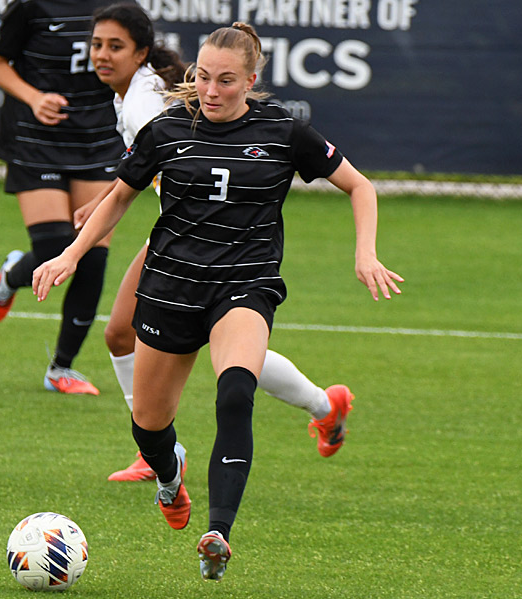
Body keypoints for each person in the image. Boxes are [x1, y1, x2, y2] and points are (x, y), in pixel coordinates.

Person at [33, 22, 403, 581]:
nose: (210, 90)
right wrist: (71, 254)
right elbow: (120, 197)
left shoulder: (283, 131)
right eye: (202, 76)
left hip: (244, 285)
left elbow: (361, 186)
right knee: (149, 427)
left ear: (251, 81)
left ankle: (218, 535)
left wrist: (366, 253)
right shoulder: (166, 130)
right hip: (169, 288)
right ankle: (169, 480)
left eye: (226, 80)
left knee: (235, 392)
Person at [82, 3, 358, 483]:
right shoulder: (132, 96)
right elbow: (142, 170)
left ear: (140, 53)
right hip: (181, 233)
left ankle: (157, 450)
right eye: (97, 45)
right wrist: (104, 202)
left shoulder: (145, 103)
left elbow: (176, 168)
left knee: (203, 347)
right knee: (148, 337)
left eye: (114, 47)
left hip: (195, 235)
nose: (102, 56)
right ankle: (321, 405)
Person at [0, 0, 132, 395]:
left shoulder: (120, 8)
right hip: (36, 141)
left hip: (98, 141)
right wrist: (34, 97)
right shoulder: (31, 6)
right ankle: (10, 277)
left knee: (92, 254)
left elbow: (140, 61)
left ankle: (61, 368)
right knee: (55, 249)